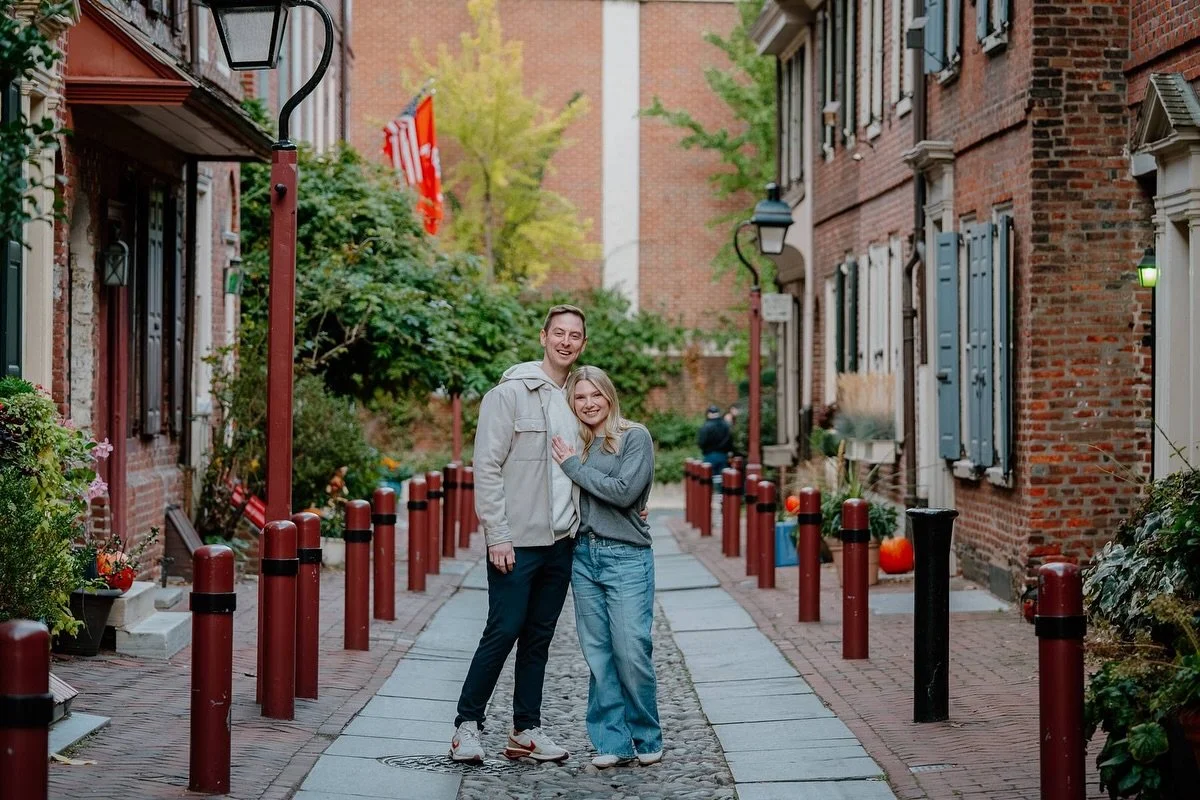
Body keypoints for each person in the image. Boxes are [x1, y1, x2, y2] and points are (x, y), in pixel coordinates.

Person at [449, 304, 587, 764]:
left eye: (575, 336)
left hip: (562, 542)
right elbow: (486, 467)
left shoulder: (577, 398)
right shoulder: (508, 395)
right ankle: (466, 727)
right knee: (503, 629)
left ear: (582, 343)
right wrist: (498, 535)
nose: (566, 342)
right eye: (559, 334)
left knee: (539, 638)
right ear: (543, 336)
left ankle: (525, 731)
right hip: (518, 542)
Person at [550, 366, 662, 769]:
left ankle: (647, 734)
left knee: (631, 649)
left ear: (609, 396)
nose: (588, 403)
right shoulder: (573, 444)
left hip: (628, 557)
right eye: (580, 397)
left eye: (595, 394)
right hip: (583, 556)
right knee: (599, 656)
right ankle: (612, 741)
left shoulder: (635, 437)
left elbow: (625, 492)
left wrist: (574, 469)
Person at [697, 404, 733, 476]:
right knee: (723, 479)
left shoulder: (705, 426)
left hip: (709, 455)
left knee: (709, 479)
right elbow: (730, 440)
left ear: (708, 414)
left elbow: (701, 442)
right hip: (723, 455)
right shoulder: (726, 425)